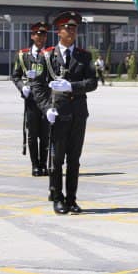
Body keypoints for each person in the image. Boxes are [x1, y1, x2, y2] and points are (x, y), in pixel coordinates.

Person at [32, 11, 98, 214]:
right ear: (58, 31)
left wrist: (71, 86)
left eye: (74, 29)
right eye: (67, 28)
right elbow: (37, 86)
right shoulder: (47, 56)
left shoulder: (84, 56)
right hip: (58, 114)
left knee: (74, 159)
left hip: (78, 114)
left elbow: (92, 83)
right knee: (57, 159)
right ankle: (57, 197)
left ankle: (71, 199)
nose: (71, 32)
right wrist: (46, 108)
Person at [11, 22, 51, 177]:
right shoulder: (23, 55)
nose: (41, 38)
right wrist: (22, 87)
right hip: (31, 100)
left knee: (45, 134)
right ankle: (35, 166)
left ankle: (43, 164)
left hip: (46, 99)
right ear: (32, 36)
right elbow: (15, 76)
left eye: (44, 35)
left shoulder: (50, 54)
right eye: (38, 35)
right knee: (32, 135)